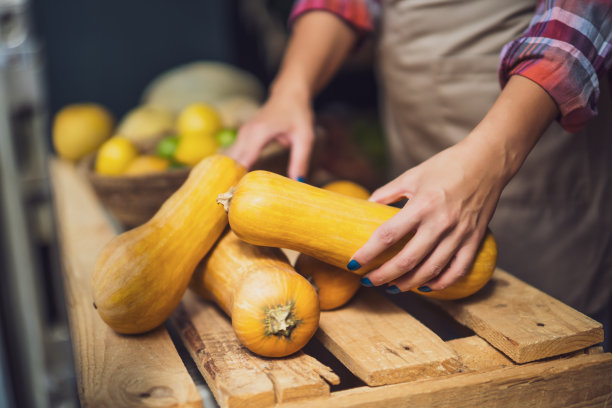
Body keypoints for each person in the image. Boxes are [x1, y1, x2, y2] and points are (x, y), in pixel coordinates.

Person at [227, 0, 612, 347]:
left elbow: (583, 20)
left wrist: (492, 159)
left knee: (548, 346)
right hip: (415, 141)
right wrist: (290, 89)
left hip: (528, 137)